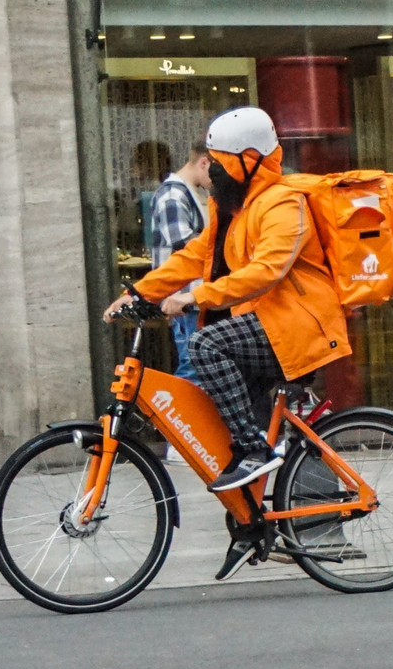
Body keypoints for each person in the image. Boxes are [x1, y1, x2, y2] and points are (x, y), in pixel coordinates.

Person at [105, 107, 352, 573]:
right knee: (222, 435)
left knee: (206, 347)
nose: (212, 168)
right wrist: (137, 293)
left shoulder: (283, 202)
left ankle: (255, 450)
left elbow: (267, 271)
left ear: (252, 159)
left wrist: (196, 298)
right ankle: (252, 526)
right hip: (266, 327)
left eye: (220, 160)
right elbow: (193, 256)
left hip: (299, 328)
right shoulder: (234, 207)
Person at [144, 140, 211, 381]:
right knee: (193, 370)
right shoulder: (173, 194)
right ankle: (173, 418)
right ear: (204, 163)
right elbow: (185, 247)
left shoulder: (196, 192)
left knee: (196, 367)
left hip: (194, 299)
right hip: (186, 301)